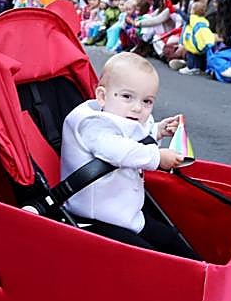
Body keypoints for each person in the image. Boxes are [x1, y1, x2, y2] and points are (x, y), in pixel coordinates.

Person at [60, 52, 195, 258]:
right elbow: (121, 151)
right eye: (127, 97)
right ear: (102, 96)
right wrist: (158, 158)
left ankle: (200, 267)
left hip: (126, 214)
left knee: (171, 239)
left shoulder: (120, 115)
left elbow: (134, 138)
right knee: (148, 257)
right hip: (97, 219)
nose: (138, 108)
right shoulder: (92, 124)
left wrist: (157, 131)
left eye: (147, 101)